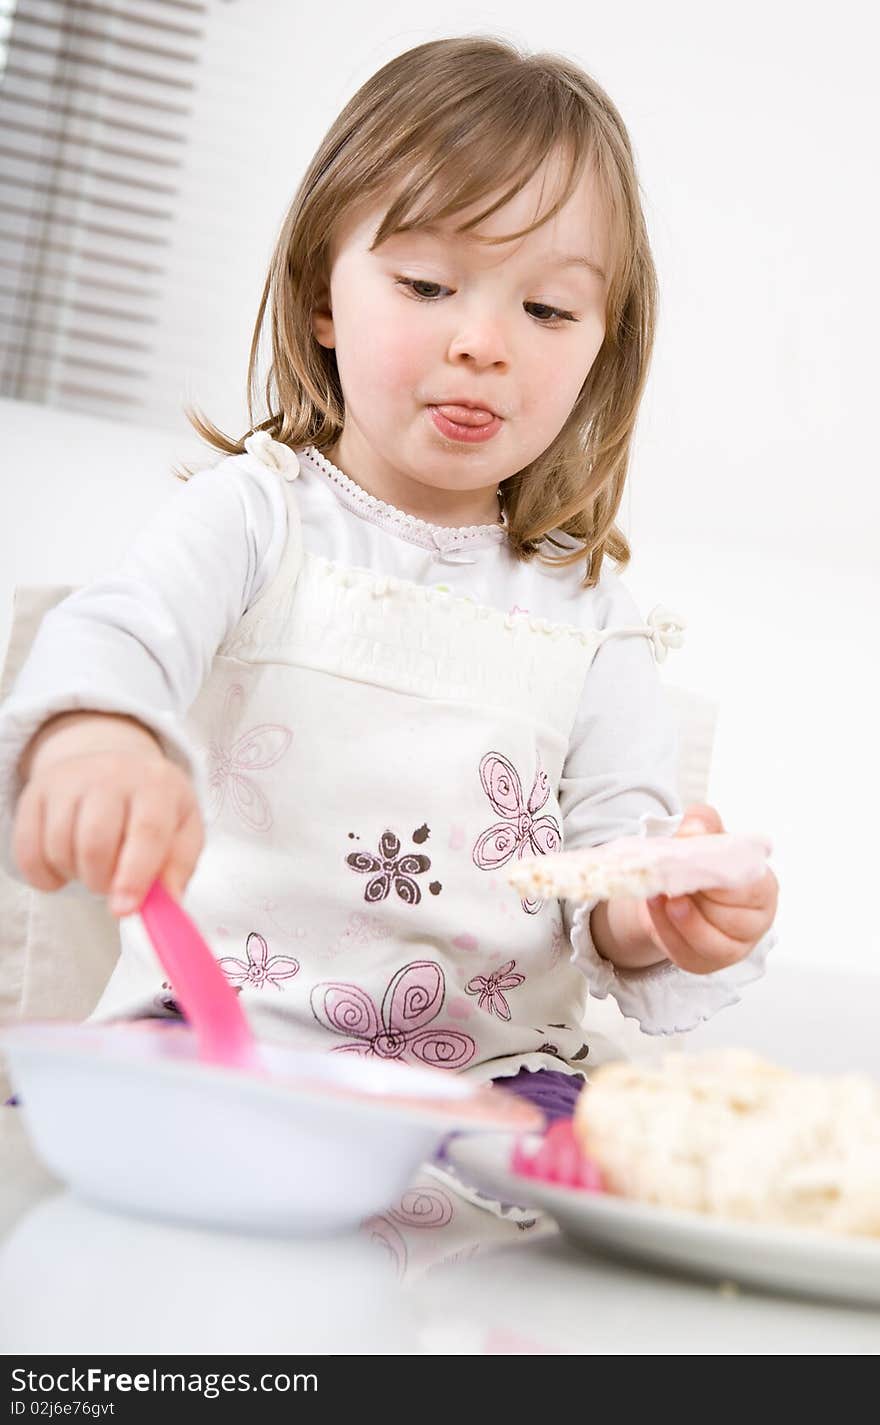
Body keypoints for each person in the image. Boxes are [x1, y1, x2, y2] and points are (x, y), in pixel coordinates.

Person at [0, 37, 778, 1124]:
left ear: (601, 347)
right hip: (225, 1036)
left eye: (547, 312)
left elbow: (613, 870)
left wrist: (657, 913)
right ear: (325, 296)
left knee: (593, 1187)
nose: (481, 343)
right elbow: (117, 635)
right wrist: (96, 734)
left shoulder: (593, 622)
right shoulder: (252, 516)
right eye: (425, 284)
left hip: (492, 1081)